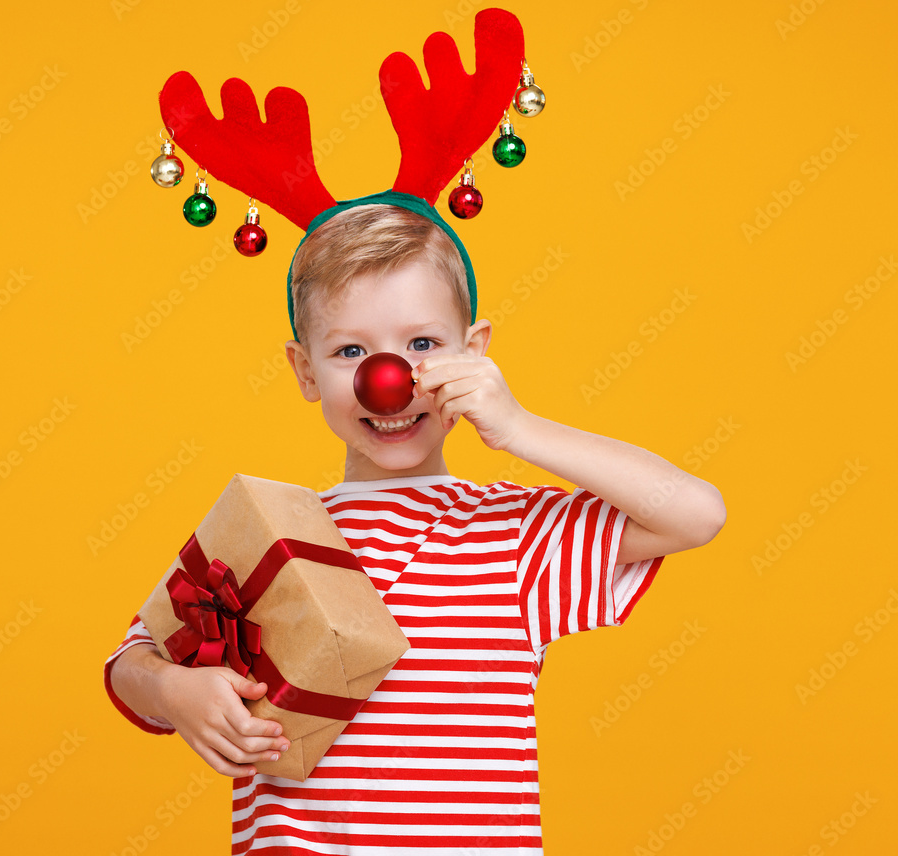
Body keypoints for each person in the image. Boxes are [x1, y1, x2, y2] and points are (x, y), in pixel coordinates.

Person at [105, 200, 726, 854]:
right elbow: (131, 660)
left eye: (422, 345)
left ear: (474, 352)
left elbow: (695, 512)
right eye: (351, 351)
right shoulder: (267, 536)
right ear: (306, 371)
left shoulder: (515, 536)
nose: (389, 381)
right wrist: (173, 690)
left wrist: (519, 428)